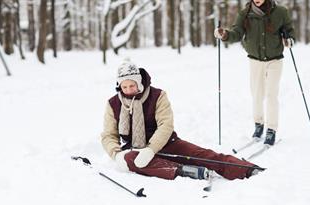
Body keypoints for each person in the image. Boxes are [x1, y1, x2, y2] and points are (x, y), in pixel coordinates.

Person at [101, 59, 263, 181]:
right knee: (131, 160)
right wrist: (116, 155)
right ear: (119, 86)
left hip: (167, 143)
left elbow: (166, 125)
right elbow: (108, 135)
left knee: (201, 154)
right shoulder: (113, 104)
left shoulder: (158, 96)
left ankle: (246, 169)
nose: (129, 90)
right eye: (124, 87)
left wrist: (151, 150)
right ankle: (183, 171)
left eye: (132, 85)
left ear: (139, 82)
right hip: (136, 149)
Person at [214, 0, 295, 145]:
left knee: (271, 94)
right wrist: (224, 34)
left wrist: (289, 39)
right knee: (257, 94)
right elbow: (237, 33)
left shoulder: (281, 12)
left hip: (274, 60)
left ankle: (271, 129)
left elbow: (290, 31)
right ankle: (259, 125)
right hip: (255, 60)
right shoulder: (245, 14)